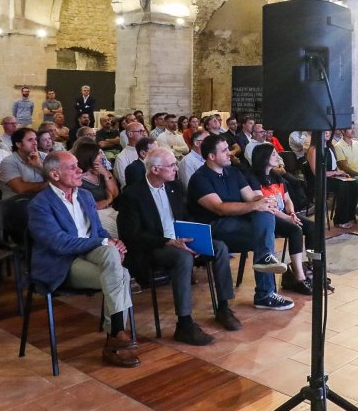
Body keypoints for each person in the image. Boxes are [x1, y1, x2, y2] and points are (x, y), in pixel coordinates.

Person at [115, 147, 242, 345]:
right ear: (155, 169)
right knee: (181, 257)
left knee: (219, 248)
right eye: (172, 165)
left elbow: (185, 216)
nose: (176, 168)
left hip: (180, 239)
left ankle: (223, 307)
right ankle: (184, 323)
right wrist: (168, 241)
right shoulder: (132, 194)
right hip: (153, 247)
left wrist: (195, 234)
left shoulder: (174, 188)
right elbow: (131, 234)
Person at [27, 151, 139, 368]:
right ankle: (114, 337)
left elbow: (98, 232)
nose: (80, 171)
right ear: (55, 174)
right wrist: (104, 244)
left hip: (90, 253)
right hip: (61, 262)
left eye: (78, 165)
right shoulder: (40, 205)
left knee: (111, 255)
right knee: (121, 274)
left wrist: (112, 243)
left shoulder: (85, 196)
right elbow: (59, 244)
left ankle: (116, 335)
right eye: (72, 167)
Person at [187, 134, 293, 311]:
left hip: (237, 225)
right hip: (214, 227)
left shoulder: (233, 172)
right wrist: (255, 205)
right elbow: (220, 208)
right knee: (263, 235)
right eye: (224, 151)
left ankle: (265, 271)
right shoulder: (200, 178)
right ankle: (264, 294)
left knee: (264, 215)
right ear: (211, 156)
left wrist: (264, 200)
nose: (230, 153)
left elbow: (251, 196)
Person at [249, 142, 317, 296]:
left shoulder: (275, 176)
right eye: (273, 154)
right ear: (263, 157)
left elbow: (287, 199)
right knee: (295, 230)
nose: (277, 157)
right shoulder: (253, 178)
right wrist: (287, 218)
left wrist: (292, 213)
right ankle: (299, 277)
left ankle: (311, 266)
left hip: (285, 214)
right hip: (269, 217)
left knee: (312, 227)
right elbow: (265, 205)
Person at [308, 129, 358, 229]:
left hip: (332, 176)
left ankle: (349, 215)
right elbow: (316, 172)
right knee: (343, 186)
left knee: (354, 184)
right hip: (321, 179)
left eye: (328, 132)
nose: (328, 133)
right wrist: (335, 173)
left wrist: (342, 174)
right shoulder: (314, 149)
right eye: (325, 132)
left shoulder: (330, 147)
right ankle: (340, 219)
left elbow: (335, 166)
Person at [0, 127, 49, 203]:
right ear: (18, 144)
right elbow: (21, 188)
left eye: (35, 139)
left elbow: (58, 177)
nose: (35, 142)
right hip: (17, 203)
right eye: (30, 140)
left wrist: (40, 166)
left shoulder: (45, 157)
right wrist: (50, 184)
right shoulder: (8, 162)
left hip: (42, 201)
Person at [73, 140, 118, 211]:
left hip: (110, 210)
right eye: (98, 153)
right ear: (88, 156)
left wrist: (106, 174)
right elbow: (86, 206)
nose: (102, 156)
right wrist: (108, 200)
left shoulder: (103, 172)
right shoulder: (78, 178)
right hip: (94, 214)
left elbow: (115, 194)